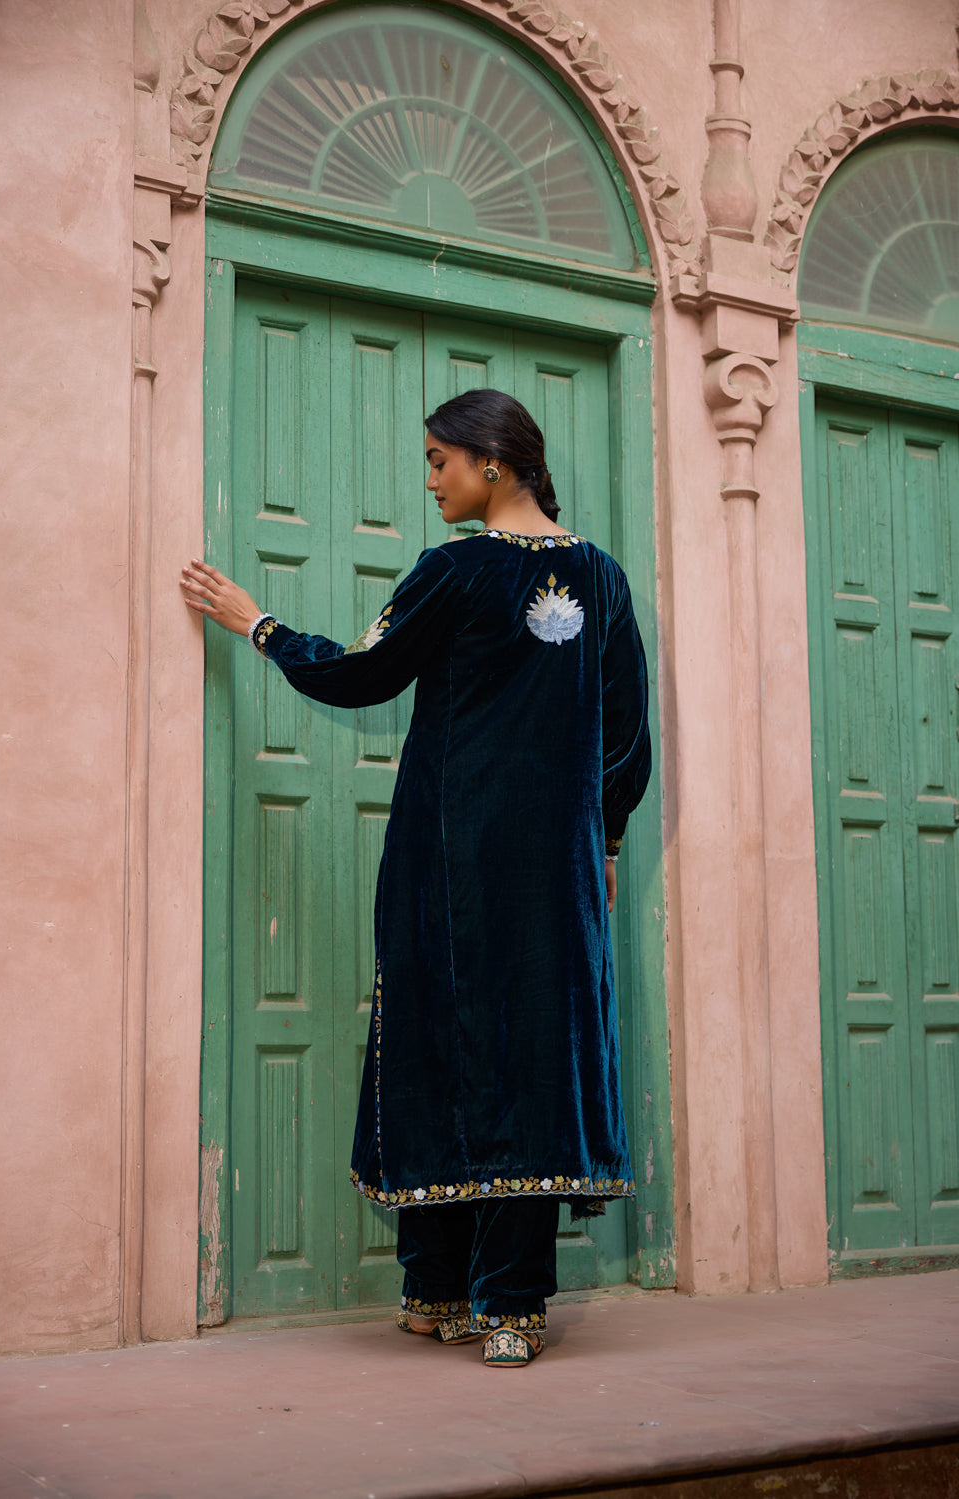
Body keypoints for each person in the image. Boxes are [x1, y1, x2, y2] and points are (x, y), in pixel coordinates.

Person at [180, 388, 651, 1368]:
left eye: (440, 460)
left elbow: (362, 671)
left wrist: (257, 624)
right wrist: (599, 845)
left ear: (492, 463)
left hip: (445, 860)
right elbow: (627, 738)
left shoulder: (455, 569)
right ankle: (504, 1305)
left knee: (437, 1042)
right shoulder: (601, 579)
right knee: (530, 1060)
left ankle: (440, 1289)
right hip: (549, 875)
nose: (429, 478)